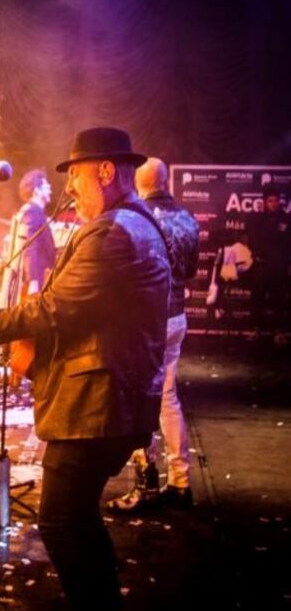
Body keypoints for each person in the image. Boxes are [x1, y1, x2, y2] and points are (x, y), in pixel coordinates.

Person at [0, 128, 170, 610]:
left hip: (97, 408)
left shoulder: (111, 232)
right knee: (78, 519)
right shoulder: (137, 224)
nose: (71, 190)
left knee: (62, 521)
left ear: (106, 172)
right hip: (117, 402)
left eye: (79, 177)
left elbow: (53, 309)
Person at [107, 157, 200, 512]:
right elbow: (189, 270)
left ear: (140, 182)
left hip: (145, 319)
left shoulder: (136, 218)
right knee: (167, 398)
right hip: (176, 315)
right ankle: (180, 482)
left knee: (136, 398)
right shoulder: (188, 218)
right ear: (165, 181)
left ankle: (144, 486)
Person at [248, 185, 289, 341]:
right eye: (270, 201)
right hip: (261, 265)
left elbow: (286, 242)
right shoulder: (257, 220)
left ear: (280, 202)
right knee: (257, 298)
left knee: (279, 299)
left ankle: (279, 332)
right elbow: (253, 242)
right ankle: (255, 329)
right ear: (265, 202)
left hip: (279, 266)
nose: (273, 203)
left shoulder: (286, 219)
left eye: (276, 200)